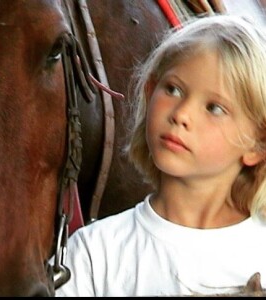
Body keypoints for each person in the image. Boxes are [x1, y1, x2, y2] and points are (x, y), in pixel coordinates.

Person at [56, 14, 266, 296]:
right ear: (150, 91)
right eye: (173, 89)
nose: (181, 115)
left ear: (257, 145)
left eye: (214, 108)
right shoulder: (94, 254)